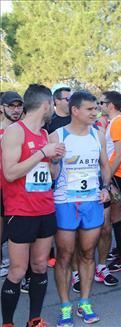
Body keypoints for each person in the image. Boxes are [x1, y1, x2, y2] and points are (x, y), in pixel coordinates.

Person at [1, 84, 65, 327]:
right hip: (21, 210)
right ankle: (7, 323)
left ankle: (34, 320)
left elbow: (49, 173)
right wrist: (42, 153)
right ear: (47, 105)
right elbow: (9, 173)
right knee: (17, 271)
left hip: (45, 208)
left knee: (39, 266)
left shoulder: (44, 134)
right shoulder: (15, 132)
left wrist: (54, 160)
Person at [51, 91, 111, 326]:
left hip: (91, 202)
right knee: (64, 256)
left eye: (96, 108)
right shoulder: (57, 135)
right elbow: (52, 174)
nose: (94, 112)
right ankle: (65, 306)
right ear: (75, 110)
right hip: (65, 202)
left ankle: (84, 303)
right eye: (89, 109)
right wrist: (55, 159)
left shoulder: (98, 135)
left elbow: (104, 165)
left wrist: (106, 187)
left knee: (88, 253)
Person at [99, 91, 121, 273]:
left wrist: (106, 178)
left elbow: (119, 153)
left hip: (115, 174)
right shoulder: (118, 122)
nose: (99, 106)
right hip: (117, 174)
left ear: (110, 105)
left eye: (101, 102)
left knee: (115, 216)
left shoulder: (118, 123)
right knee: (115, 216)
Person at [0, 91, 24, 278]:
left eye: (18, 106)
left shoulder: (26, 129)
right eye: (11, 106)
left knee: (18, 231)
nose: (15, 110)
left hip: (20, 188)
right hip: (2, 187)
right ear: (2, 108)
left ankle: (23, 270)